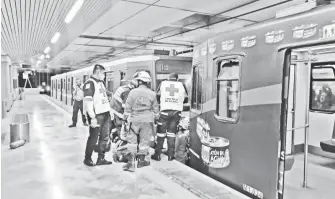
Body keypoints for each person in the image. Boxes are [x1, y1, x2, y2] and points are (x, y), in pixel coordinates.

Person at [122, 71, 159, 172]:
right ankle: (142, 162)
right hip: (147, 120)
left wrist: (125, 118)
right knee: (144, 141)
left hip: (134, 120)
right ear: (147, 82)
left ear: (139, 81)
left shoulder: (133, 92)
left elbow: (127, 107)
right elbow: (156, 110)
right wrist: (156, 118)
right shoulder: (152, 93)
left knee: (132, 142)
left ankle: (131, 164)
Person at [151, 73, 188, 161]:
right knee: (172, 134)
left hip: (165, 112)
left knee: (161, 134)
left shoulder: (163, 84)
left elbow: (157, 96)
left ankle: (157, 155)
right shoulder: (182, 85)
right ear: (177, 79)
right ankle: (171, 156)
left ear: (168, 78)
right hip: (176, 113)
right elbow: (186, 99)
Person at [83, 64, 113, 166]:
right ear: (98, 72)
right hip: (97, 116)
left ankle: (101, 158)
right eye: (103, 73)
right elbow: (88, 102)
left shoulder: (101, 83)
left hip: (105, 114)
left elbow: (103, 98)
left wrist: (109, 111)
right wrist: (92, 117)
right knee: (93, 137)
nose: (104, 75)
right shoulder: (89, 83)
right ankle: (87, 158)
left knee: (104, 137)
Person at [110, 78, 139, 162]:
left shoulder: (124, 88)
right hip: (119, 113)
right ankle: (121, 154)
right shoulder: (127, 92)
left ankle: (119, 152)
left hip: (115, 111)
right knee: (123, 135)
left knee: (122, 133)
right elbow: (126, 108)